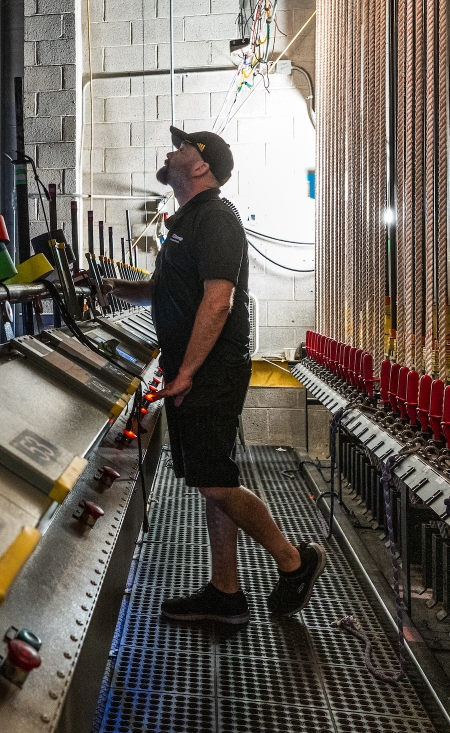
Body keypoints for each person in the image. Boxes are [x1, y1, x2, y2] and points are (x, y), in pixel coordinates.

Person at [101, 127, 326, 625]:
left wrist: (187, 373)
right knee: (211, 477)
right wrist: (112, 287)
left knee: (215, 483)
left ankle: (293, 562)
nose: (171, 149)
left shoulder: (217, 220)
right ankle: (226, 593)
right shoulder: (186, 222)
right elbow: (163, 290)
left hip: (211, 370)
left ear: (201, 165)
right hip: (196, 369)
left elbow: (218, 300)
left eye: (182, 146)